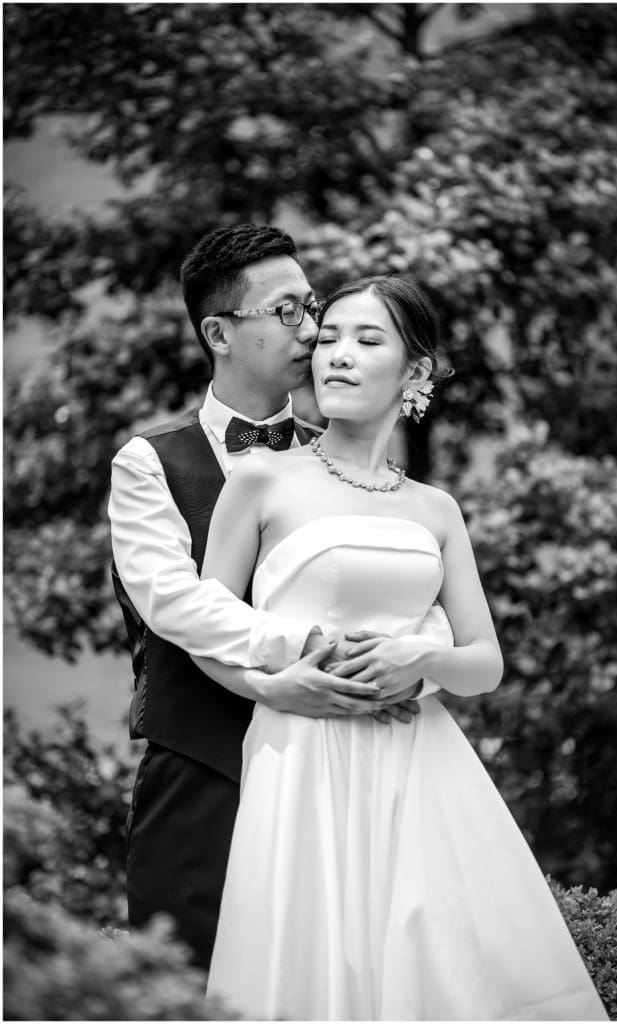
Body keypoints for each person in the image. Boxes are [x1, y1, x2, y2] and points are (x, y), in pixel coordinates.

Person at [193, 276, 609, 1020]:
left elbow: (484, 662)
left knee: (441, 971)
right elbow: (204, 629)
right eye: (328, 341)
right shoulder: (261, 478)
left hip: (421, 763)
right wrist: (273, 688)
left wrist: (418, 664)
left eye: (367, 340)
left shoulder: (435, 508)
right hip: (301, 755)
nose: (337, 357)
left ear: (414, 373)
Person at [108, 225, 452, 970]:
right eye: (288, 311)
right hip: (199, 767)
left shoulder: (342, 458)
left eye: (313, 307)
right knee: (188, 985)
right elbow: (176, 605)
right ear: (218, 333)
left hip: (336, 769)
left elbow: (405, 591)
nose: (312, 331)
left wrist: (407, 665)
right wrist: (297, 658)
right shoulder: (148, 464)